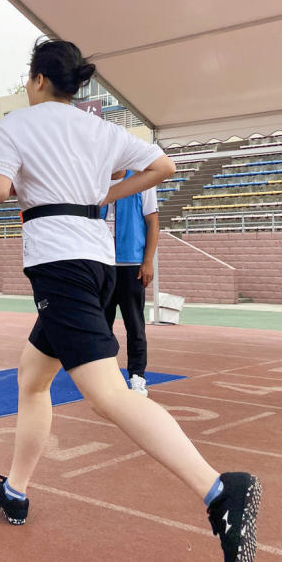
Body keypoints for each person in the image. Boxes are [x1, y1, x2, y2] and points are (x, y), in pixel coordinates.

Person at [0, 39, 260, 562]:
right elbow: (164, 165)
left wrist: (21, 185)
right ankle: (15, 490)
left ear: (37, 80)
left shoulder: (15, 126)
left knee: (107, 394)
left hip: (58, 265)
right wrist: (105, 198)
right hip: (99, 265)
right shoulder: (102, 129)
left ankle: (220, 490)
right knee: (33, 377)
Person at [102, 169, 159, 397]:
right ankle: (104, 374)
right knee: (100, 325)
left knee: (134, 324)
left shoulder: (142, 180)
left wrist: (148, 261)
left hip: (131, 265)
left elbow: (153, 223)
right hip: (101, 263)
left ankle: (137, 376)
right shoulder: (95, 176)